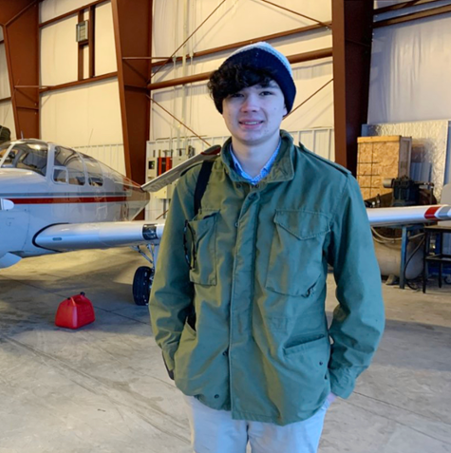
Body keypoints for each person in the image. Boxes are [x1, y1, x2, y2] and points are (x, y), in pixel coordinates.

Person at [148, 42, 385, 453]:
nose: (249, 106)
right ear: (223, 106)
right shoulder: (195, 185)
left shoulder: (331, 186)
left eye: (264, 92)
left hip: (291, 390)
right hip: (209, 384)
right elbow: (168, 285)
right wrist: (177, 356)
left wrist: (339, 378)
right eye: (236, 95)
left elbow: (362, 297)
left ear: (285, 104)